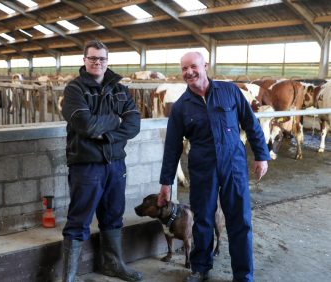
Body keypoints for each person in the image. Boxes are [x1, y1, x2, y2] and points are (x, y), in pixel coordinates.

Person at [157, 52, 269, 282]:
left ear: (205, 66)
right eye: (184, 68)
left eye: (193, 66)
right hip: (202, 167)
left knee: (240, 220)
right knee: (203, 219)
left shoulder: (230, 92)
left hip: (233, 165)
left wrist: (261, 155)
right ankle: (200, 267)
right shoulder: (181, 107)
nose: (189, 72)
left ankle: (243, 274)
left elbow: (251, 123)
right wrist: (166, 182)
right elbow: (172, 147)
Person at [60, 40, 142, 282]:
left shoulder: (120, 90)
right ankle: (69, 276)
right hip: (86, 163)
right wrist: (116, 121)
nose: (97, 62)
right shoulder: (74, 90)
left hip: (116, 163)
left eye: (102, 59)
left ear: (107, 61)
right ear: (84, 60)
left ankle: (113, 264)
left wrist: (105, 132)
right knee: (79, 218)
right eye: (93, 58)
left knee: (114, 214)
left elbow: (134, 124)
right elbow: (84, 125)